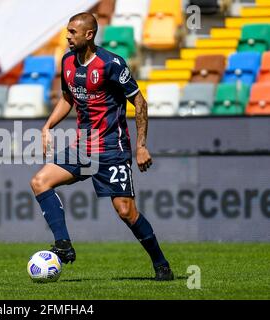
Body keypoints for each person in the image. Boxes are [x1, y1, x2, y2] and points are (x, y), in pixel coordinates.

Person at [30, 12, 174, 281]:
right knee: (40, 181)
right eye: (67, 31)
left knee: (125, 211)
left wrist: (141, 145)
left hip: (112, 148)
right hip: (83, 147)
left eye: (73, 32)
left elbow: (139, 102)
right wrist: (48, 125)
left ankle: (161, 264)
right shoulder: (68, 62)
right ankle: (63, 245)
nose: (67, 36)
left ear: (89, 34)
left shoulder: (112, 64)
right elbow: (67, 98)